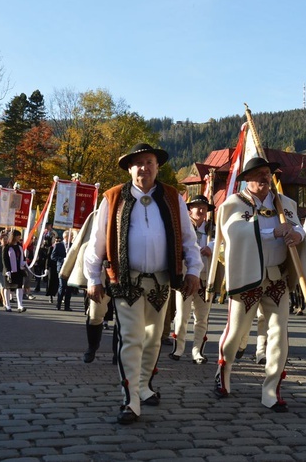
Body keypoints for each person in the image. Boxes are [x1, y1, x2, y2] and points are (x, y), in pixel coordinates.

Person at [83, 143, 203, 425]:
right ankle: (130, 400)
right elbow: (97, 241)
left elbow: (189, 238)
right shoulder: (113, 198)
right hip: (126, 282)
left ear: (157, 166)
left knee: (153, 339)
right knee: (132, 338)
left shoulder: (173, 198)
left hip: (162, 282)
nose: (144, 167)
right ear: (129, 168)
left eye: (149, 162)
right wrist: (92, 278)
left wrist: (194, 270)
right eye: (138, 163)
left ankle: (144, 387)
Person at [211, 157, 306, 412]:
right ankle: (225, 367)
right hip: (247, 278)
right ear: (246, 179)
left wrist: (297, 234)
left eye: (267, 173)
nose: (264, 179)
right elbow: (234, 234)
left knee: (278, 334)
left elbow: (300, 227)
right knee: (236, 332)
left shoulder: (285, 203)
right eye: (258, 175)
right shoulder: (233, 204)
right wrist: (270, 232)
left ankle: (271, 390)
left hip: (277, 278)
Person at [169, 195, 215, 364]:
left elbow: (225, 244)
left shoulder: (214, 230)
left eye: (204, 207)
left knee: (202, 317)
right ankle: (179, 348)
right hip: (186, 277)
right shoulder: (183, 228)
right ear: (190, 209)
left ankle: (197, 351)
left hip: (205, 278)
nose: (201, 210)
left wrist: (211, 247)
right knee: (182, 315)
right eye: (197, 206)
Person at [3, 229, 28, 313]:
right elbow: (5, 259)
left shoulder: (19, 246)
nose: (19, 238)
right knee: (8, 287)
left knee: (19, 287)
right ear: (14, 236)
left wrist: (24, 262)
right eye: (18, 236)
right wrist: (7, 270)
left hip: (19, 270)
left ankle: (20, 305)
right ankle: (8, 305)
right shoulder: (7, 247)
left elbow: (22, 256)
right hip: (10, 270)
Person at [51, 232, 73, 311]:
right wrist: (62, 259)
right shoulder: (58, 245)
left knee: (69, 288)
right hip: (61, 268)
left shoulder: (73, 245)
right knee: (62, 286)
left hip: (70, 269)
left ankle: (67, 306)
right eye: (71, 236)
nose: (72, 238)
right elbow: (53, 257)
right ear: (66, 237)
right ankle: (58, 304)